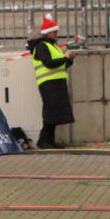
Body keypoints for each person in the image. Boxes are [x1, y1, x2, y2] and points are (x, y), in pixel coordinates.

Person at [27, 14, 76, 149]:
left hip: (56, 83)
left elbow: (61, 65)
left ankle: (49, 141)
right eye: (55, 32)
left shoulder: (53, 46)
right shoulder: (42, 46)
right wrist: (65, 57)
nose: (57, 34)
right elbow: (49, 63)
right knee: (50, 112)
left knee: (55, 113)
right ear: (49, 33)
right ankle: (44, 141)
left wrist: (69, 60)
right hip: (48, 83)